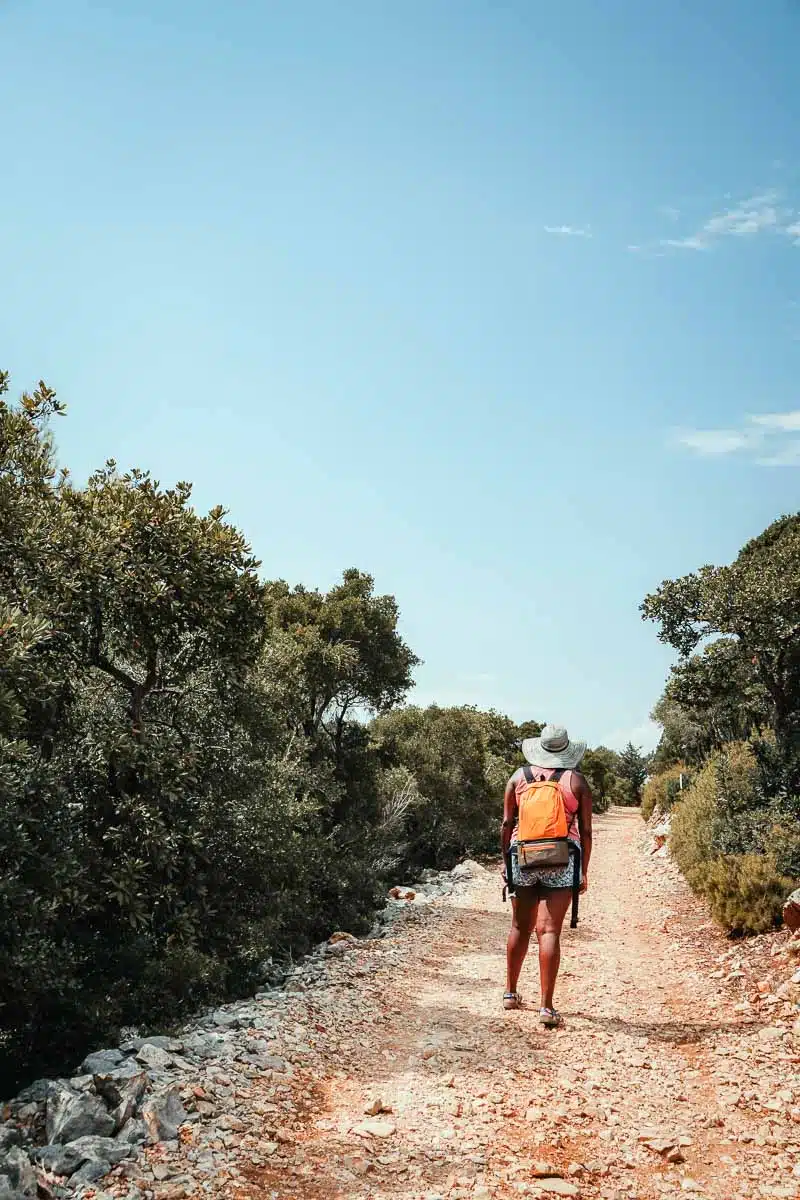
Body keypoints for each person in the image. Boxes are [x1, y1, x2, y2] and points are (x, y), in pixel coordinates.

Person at [501, 724, 593, 1025]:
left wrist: (506, 862)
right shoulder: (576, 781)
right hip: (563, 859)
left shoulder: (519, 777)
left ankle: (511, 993)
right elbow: (587, 831)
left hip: (523, 856)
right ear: (567, 750)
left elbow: (506, 824)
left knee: (519, 926)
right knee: (549, 931)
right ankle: (546, 1007)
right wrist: (583, 872)